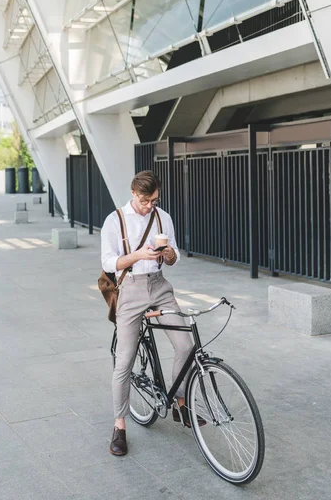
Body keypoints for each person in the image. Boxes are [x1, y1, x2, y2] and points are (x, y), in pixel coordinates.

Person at [101, 170, 200, 456]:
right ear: (134, 193)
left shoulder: (162, 216)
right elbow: (109, 262)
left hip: (159, 287)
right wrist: (138, 255)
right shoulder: (115, 220)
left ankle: (180, 400)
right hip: (130, 291)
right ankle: (119, 424)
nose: (150, 206)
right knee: (125, 360)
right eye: (145, 200)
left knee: (185, 345)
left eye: (154, 200)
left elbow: (174, 256)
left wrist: (168, 254)